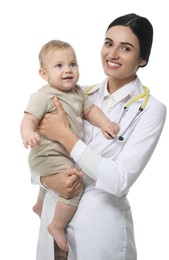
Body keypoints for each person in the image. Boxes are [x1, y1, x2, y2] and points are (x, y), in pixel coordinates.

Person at [32, 13, 167, 260]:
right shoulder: (76, 93)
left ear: (143, 59)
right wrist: (46, 180)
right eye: (108, 43)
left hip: (98, 234)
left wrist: (65, 135)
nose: (112, 54)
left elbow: (119, 181)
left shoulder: (151, 110)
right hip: (53, 227)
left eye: (126, 48)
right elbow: (40, 151)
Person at [20, 40, 119, 252]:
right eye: (59, 66)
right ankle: (57, 225)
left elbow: (90, 111)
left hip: (62, 154)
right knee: (74, 183)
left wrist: (105, 124)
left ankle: (39, 205)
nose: (68, 70)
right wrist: (28, 133)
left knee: (65, 170)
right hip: (46, 154)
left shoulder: (77, 93)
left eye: (72, 64)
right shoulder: (43, 96)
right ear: (44, 74)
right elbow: (28, 118)